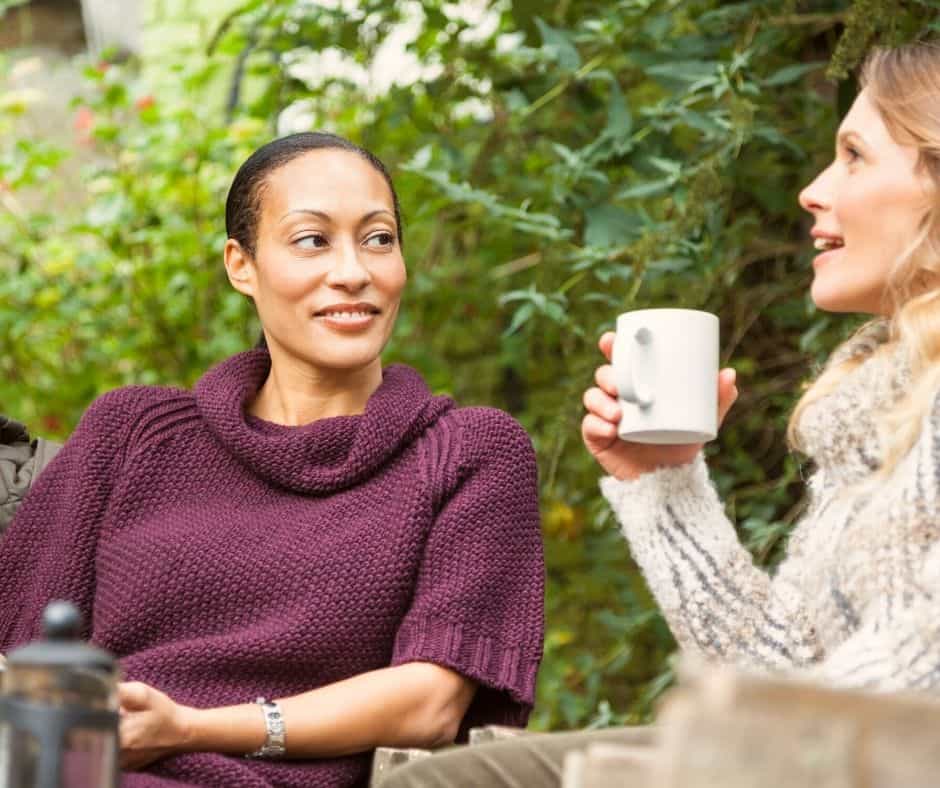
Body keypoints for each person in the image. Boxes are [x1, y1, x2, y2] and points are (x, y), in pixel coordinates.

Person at [381, 40, 940, 788]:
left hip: (863, 761)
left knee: (448, 783)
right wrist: (666, 483)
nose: (813, 188)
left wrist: (734, 749)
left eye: (854, 156)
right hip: (827, 756)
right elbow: (782, 666)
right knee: (453, 774)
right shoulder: (882, 413)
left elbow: (915, 665)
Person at [0, 132, 545, 788]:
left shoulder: (470, 453)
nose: (354, 271)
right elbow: (20, 648)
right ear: (242, 265)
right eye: (313, 240)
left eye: (378, 238)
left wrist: (194, 728)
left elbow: (430, 703)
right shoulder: (133, 432)